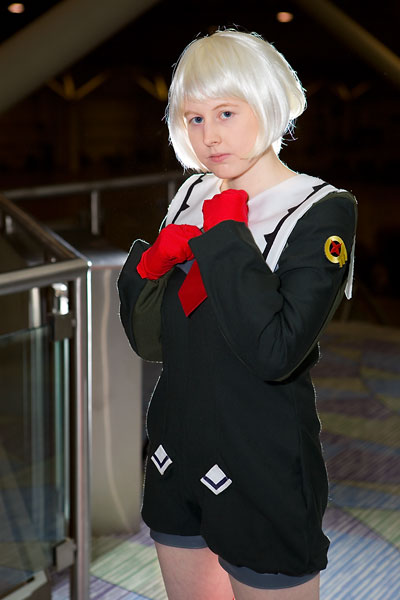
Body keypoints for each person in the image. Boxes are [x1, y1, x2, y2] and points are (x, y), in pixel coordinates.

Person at [118, 28, 357, 600]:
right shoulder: (189, 196)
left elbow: (275, 353)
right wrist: (149, 268)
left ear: (267, 104)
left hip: (261, 457)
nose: (209, 136)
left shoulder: (320, 210)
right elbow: (152, 342)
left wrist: (228, 236)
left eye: (226, 112)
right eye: (194, 118)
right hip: (177, 444)